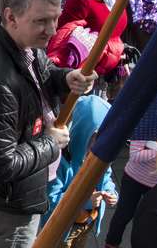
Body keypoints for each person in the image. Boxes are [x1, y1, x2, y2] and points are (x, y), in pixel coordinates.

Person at [0, 0, 96, 248]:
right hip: (11, 207)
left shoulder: (17, 38)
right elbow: (3, 164)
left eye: (55, 19)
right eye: (41, 21)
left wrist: (64, 78)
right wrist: (50, 143)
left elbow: (40, 71)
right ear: (11, 16)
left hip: (2, 200)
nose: (53, 30)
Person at [48, 0, 131, 99]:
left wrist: (120, 54)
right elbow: (61, 44)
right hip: (85, 83)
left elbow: (115, 35)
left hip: (108, 79)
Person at [43, 96, 118, 246]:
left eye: (104, 139)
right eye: (93, 138)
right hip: (63, 231)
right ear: (81, 131)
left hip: (87, 224)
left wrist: (111, 192)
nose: (97, 146)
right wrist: (85, 201)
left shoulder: (100, 159)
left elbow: (106, 178)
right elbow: (50, 201)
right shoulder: (62, 161)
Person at [104, 140, 157, 247]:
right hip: (133, 178)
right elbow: (135, 155)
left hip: (156, 184)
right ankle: (111, 244)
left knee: (147, 221)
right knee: (123, 215)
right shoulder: (146, 126)